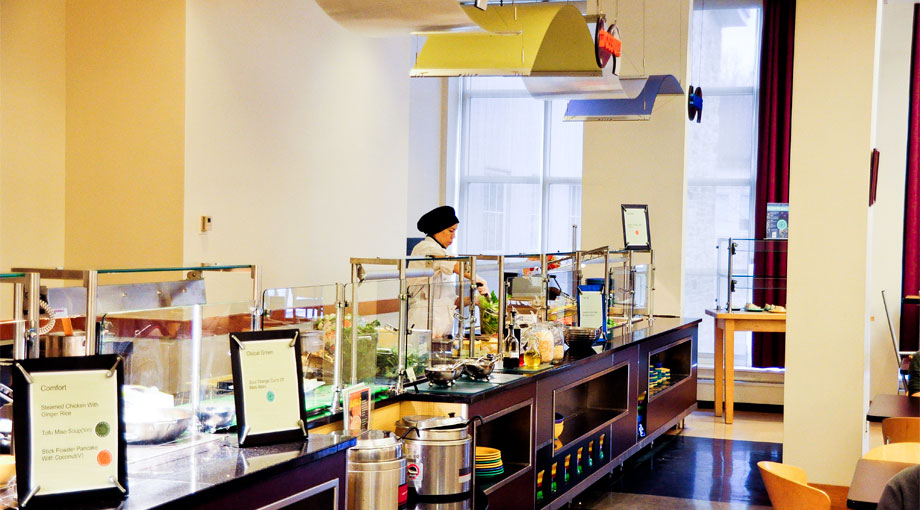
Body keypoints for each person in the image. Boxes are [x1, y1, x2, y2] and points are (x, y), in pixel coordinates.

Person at [408, 206, 488, 341]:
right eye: (451, 231)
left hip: (442, 329)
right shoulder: (425, 248)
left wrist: (473, 300)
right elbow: (455, 264)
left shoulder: (441, 255)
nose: (453, 236)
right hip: (423, 324)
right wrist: (478, 279)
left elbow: (450, 301)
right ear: (437, 229)